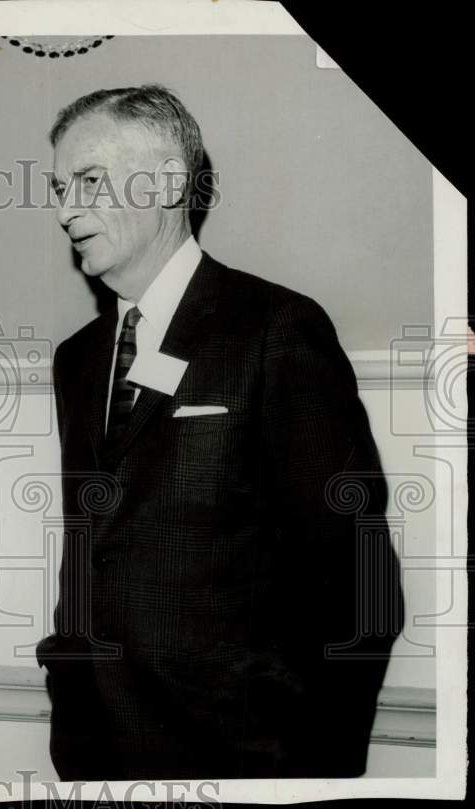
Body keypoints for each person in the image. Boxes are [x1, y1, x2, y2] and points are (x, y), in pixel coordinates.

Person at [36, 85, 404, 779]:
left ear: (170, 181)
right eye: (58, 188)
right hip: (98, 749)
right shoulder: (77, 359)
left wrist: (311, 762)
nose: (64, 211)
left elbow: (360, 576)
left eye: (88, 181)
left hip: (248, 757)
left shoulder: (276, 330)